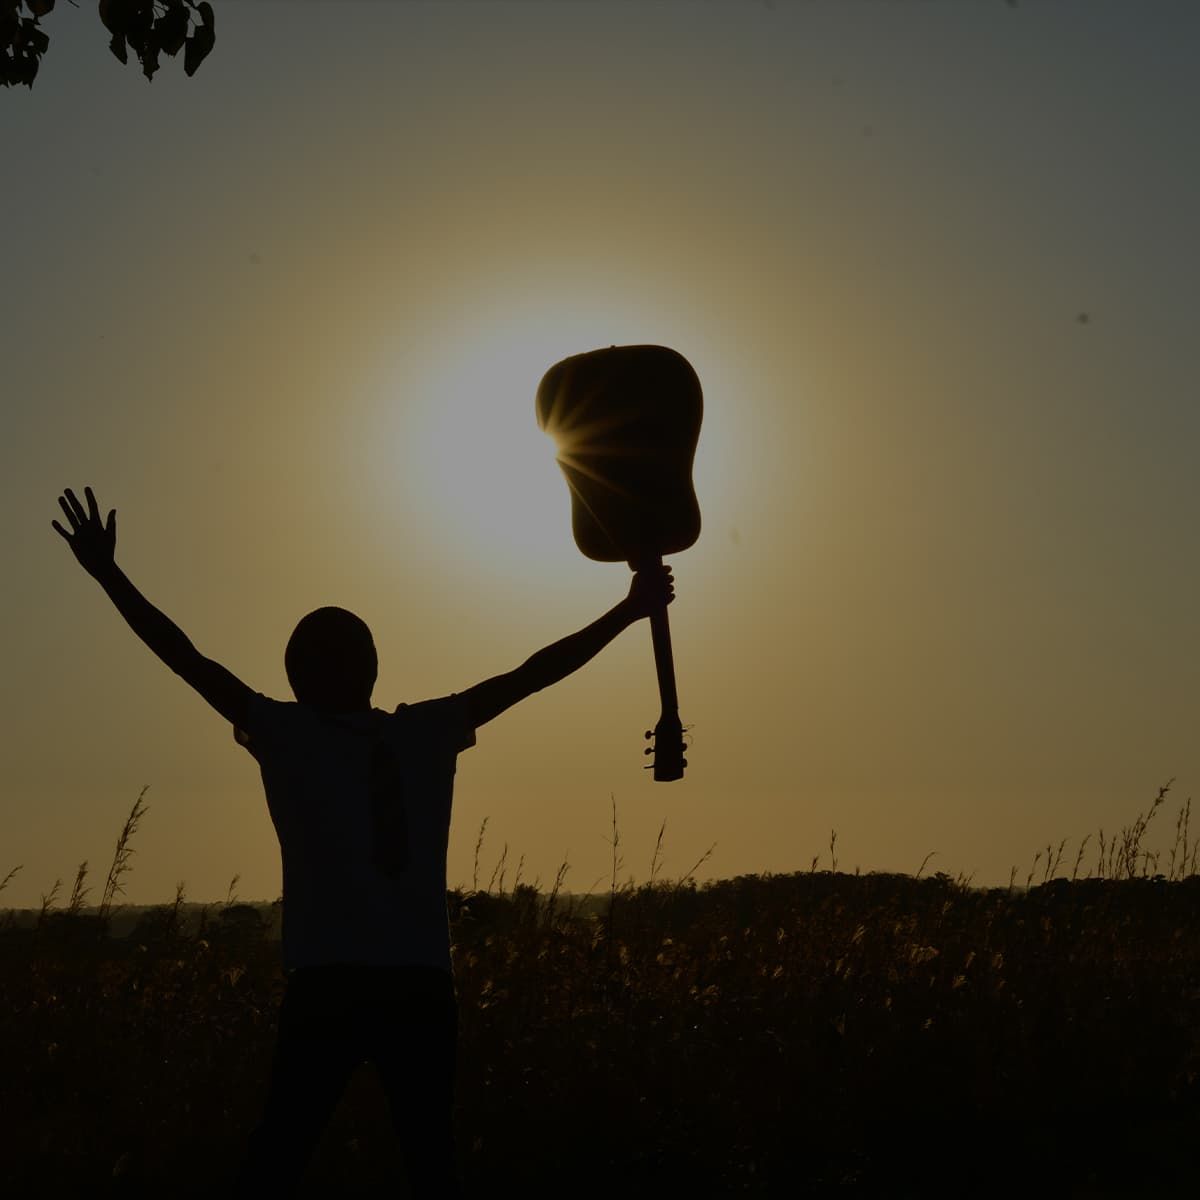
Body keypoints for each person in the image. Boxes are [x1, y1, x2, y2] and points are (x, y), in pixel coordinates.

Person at [51, 485, 674, 1196]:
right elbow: (532, 675)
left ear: (301, 674)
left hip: (343, 983)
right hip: (402, 983)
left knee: (293, 1156)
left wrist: (108, 577)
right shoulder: (412, 732)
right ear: (369, 667)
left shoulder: (304, 734)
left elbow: (185, 658)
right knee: (408, 1160)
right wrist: (627, 611)